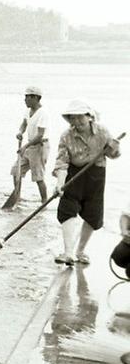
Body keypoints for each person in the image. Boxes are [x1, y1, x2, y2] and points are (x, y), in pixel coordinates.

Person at [52, 99, 121, 266]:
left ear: (89, 117)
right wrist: (60, 183)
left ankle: (80, 251)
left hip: (96, 175)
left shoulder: (103, 131)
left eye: (79, 117)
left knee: (93, 213)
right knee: (67, 209)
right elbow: (61, 162)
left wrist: (114, 147)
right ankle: (68, 253)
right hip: (74, 173)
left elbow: (113, 155)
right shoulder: (66, 135)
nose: (76, 122)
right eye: (72, 118)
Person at [12, 86, 50, 200]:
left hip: (40, 146)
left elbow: (40, 135)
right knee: (16, 171)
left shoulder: (43, 113)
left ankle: (44, 201)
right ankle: (17, 196)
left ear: (36, 98)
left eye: (27, 97)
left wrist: (25, 146)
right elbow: (24, 123)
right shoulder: (28, 110)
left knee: (38, 177)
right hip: (29, 146)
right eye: (25, 96)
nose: (25, 99)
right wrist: (20, 132)